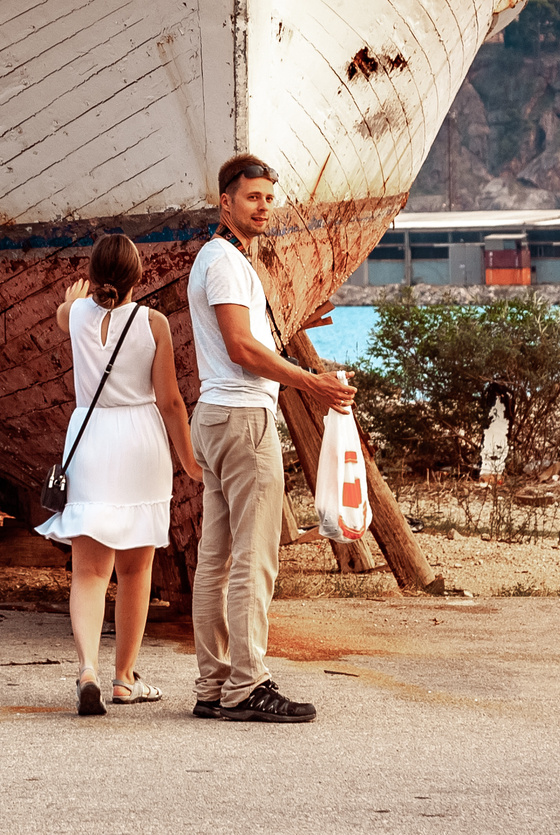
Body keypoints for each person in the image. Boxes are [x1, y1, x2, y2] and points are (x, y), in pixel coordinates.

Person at [187, 152, 354, 724]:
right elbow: (241, 347)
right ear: (225, 202)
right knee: (253, 559)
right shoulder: (228, 263)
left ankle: (213, 684)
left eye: (268, 198)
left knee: (215, 557)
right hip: (241, 419)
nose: (263, 207)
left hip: (213, 416)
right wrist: (312, 383)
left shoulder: (212, 258)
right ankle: (246, 684)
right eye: (252, 197)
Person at [39, 233, 198, 716]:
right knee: (135, 569)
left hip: (89, 442)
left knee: (88, 571)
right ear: (139, 277)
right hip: (139, 445)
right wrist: (190, 460)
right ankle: (125, 678)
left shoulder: (77, 317)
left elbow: (65, 311)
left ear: (92, 275)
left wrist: (72, 300)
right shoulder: (153, 324)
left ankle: (86, 669)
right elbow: (170, 401)